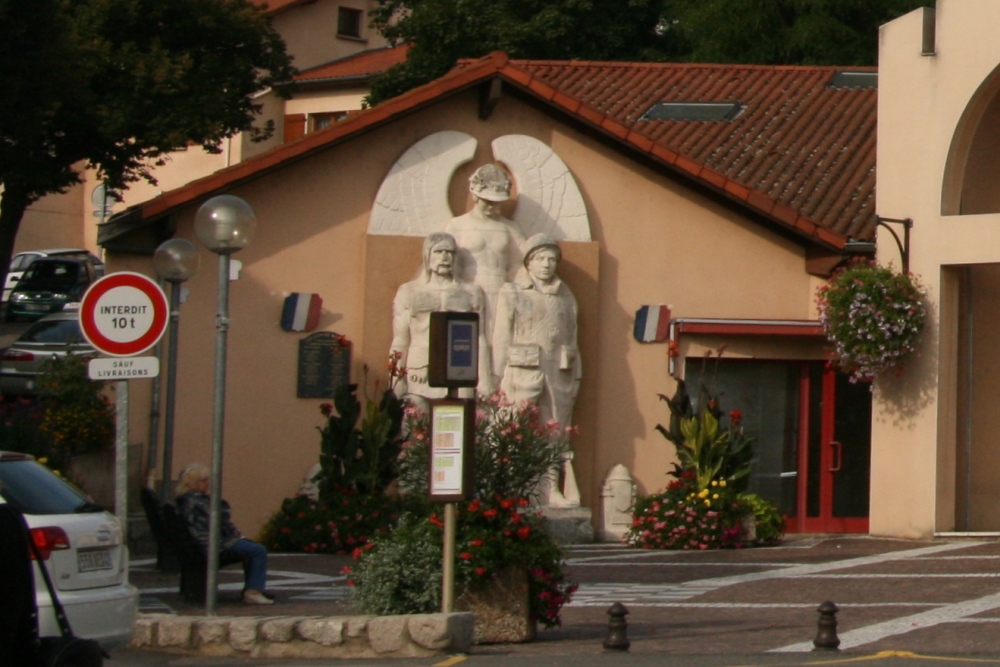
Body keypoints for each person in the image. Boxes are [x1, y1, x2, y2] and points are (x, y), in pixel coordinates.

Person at [493, 234, 582, 508]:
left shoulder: (566, 296)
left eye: (552, 259)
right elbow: (501, 337)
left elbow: (573, 338)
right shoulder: (513, 291)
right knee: (513, 427)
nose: (547, 265)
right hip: (521, 371)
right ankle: (509, 487)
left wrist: (576, 374)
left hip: (558, 372)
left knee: (555, 431)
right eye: (541, 259)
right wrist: (496, 378)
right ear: (529, 262)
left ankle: (551, 489)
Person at [390, 232, 494, 409]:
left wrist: (484, 379)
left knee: (460, 426)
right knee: (414, 426)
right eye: (439, 251)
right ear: (427, 256)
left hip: (461, 369)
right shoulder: (409, 292)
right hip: (420, 370)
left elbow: (479, 337)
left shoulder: (471, 292)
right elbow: (400, 339)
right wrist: (395, 380)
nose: (445, 257)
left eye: (450, 252)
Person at [444, 163, 526, 341]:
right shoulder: (457, 226)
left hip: (502, 294)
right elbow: (446, 264)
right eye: (488, 201)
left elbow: (522, 265)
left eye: (497, 202)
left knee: (500, 346)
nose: (493, 207)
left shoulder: (510, 228)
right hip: (468, 293)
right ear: (475, 194)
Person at [175, 463, 274, 605]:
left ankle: (254, 585)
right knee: (257, 550)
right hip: (211, 545)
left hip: (198, 545)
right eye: (204, 480)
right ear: (193, 483)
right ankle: (253, 591)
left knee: (250, 547)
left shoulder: (186, 499)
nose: (208, 483)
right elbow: (218, 520)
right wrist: (233, 532)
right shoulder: (198, 501)